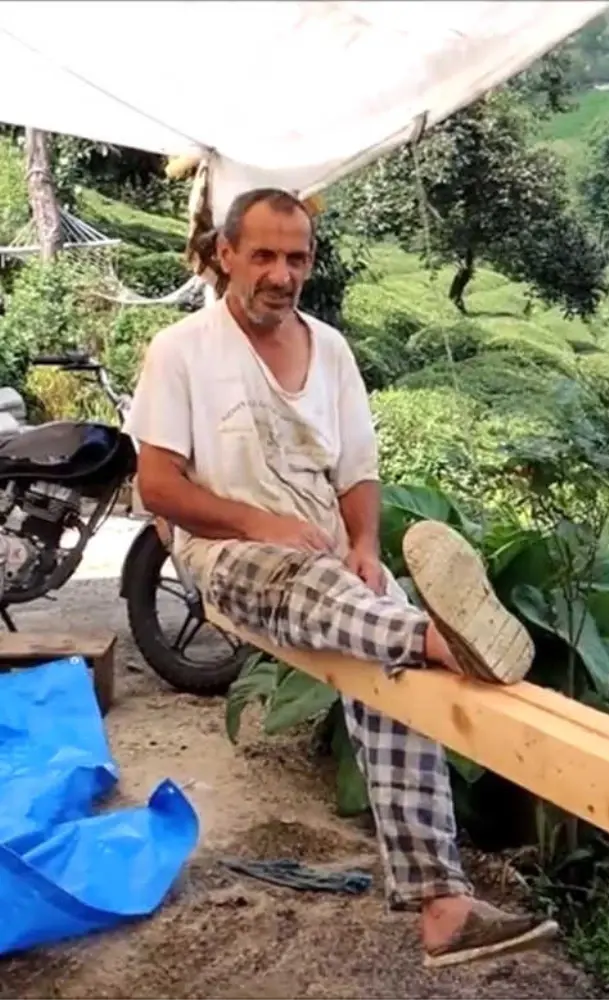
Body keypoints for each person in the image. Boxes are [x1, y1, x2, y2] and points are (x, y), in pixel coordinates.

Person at [125, 187, 555, 969]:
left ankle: (443, 906)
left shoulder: (333, 350)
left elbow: (357, 470)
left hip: (331, 566)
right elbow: (158, 487)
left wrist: (362, 543)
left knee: (394, 687)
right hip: (230, 558)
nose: (282, 274)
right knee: (325, 591)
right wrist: (260, 522)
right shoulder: (180, 350)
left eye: (297, 258)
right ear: (225, 256)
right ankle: (435, 634)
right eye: (263, 255)